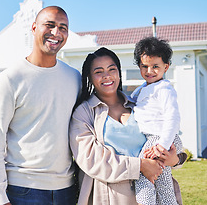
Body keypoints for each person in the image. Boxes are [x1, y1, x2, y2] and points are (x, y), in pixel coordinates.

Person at [0, 6, 81, 205]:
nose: (56, 33)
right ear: (34, 27)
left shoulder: (74, 78)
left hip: (67, 190)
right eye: (50, 25)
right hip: (24, 191)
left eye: (63, 28)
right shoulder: (10, 79)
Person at [69, 47, 185, 204]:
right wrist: (140, 166)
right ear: (89, 76)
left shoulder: (138, 104)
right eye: (99, 71)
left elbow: (164, 136)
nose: (107, 76)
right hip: (111, 198)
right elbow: (92, 160)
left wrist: (174, 160)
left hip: (152, 196)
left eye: (112, 69)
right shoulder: (84, 113)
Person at [131, 37, 183, 205]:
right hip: (156, 138)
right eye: (144, 66)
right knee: (163, 179)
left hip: (160, 138)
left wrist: (163, 145)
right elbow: (130, 102)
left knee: (143, 170)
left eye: (155, 67)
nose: (149, 71)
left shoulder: (165, 89)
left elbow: (172, 118)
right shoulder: (142, 89)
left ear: (166, 67)